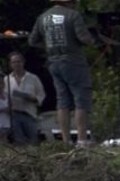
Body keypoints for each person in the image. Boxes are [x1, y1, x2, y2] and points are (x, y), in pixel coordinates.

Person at [29, 0, 99, 147]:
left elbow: (32, 41)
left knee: (62, 101)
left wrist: (47, 46)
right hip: (73, 61)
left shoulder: (42, 17)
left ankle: (66, 141)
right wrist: (94, 40)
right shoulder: (73, 15)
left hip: (54, 62)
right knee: (81, 99)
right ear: (69, 2)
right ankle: (82, 140)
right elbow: (83, 38)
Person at [6, 52, 48, 146]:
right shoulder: (7, 79)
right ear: (10, 64)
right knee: (19, 141)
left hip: (30, 113)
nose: (16, 64)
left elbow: (41, 94)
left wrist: (34, 99)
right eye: (14, 62)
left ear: (23, 62)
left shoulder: (33, 78)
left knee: (33, 140)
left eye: (18, 61)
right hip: (14, 115)